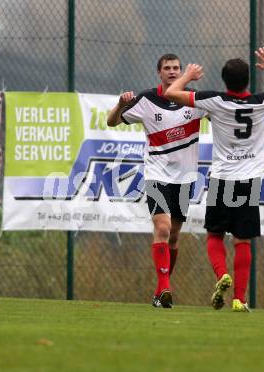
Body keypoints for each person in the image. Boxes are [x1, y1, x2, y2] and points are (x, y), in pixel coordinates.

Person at [165, 47, 264, 312]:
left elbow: (171, 93)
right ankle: (239, 299)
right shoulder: (263, 102)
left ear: (224, 81)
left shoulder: (214, 100)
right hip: (250, 181)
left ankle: (221, 276)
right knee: (243, 240)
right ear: (248, 81)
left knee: (214, 235)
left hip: (222, 178)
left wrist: (189, 76)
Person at [107, 54, 206, 308]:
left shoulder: (194, 100)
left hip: (185, 179)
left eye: (176, 68)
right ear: (159, 73)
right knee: (161, 228)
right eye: (168, 68)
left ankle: (160, 291)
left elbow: (225, 113)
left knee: (173, 237)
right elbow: (111, 121)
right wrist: (119, 105)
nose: (173, 71)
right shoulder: (147, 100)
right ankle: (165, 288)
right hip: (157, 175)